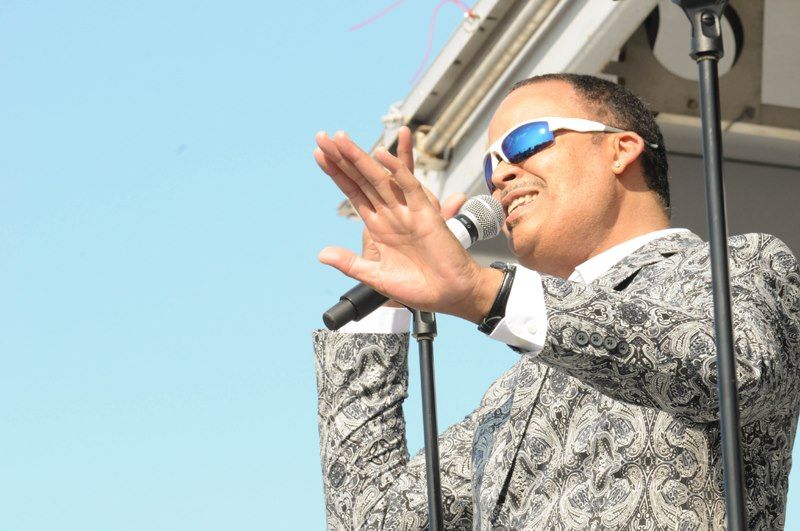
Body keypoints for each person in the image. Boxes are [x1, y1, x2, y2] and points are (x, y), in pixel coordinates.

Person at [311, 73, 800, 530]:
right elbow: (372, 519)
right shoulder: (511, 394)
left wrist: (485, 293)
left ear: (621, 149)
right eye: (490, 165)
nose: (501, 176)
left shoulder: (742, 263)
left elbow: (737, 369)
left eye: (524, 142)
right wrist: (383, 313)